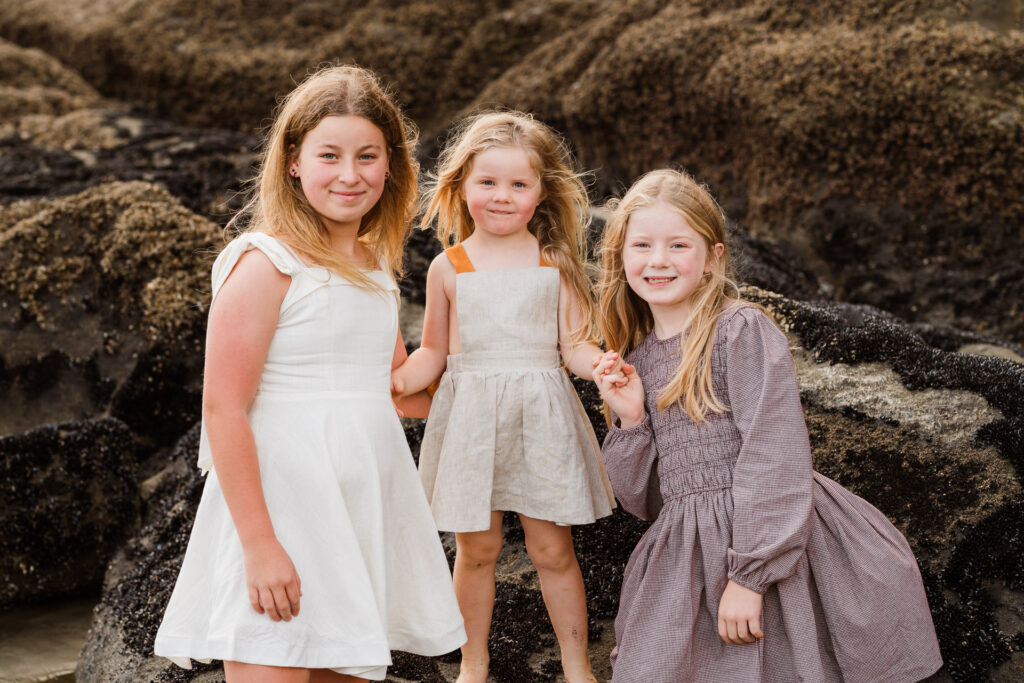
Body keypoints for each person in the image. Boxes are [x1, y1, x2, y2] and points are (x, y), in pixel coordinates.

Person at [153, 65, 466, 683]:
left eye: (367, 156)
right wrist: (261, 546)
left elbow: (399, 394)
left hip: (358, 514)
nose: (349, 175)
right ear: (294, 160)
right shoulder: (265, 262)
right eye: (329, 155)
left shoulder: (374, 267)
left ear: (391, 165)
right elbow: (223, 410)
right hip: (281, 514)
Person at [590, 169, 943, 682]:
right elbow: (648, 503)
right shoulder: (637, 360)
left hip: (774, 544)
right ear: (621, 257)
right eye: (641, 244)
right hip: (685, 561)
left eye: (678, 245)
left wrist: (751, 577)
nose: (658, 260)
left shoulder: (739, 330)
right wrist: (631, 417)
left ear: (712, 258)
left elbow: (773, 450)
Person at [390, 111, 619, 683]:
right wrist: (395, 381)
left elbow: (574, 347)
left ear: (542, 193)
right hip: (470, 420)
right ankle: (473, 662)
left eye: (519, 184)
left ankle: (575, 664)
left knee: (552, 552)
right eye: (487, 182)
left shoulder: (554, 262)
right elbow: (433, 353)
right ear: (461, 186)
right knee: (478, 551)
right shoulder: (449, 265)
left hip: (540, 418)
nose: (502, 196)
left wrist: (604, 367)